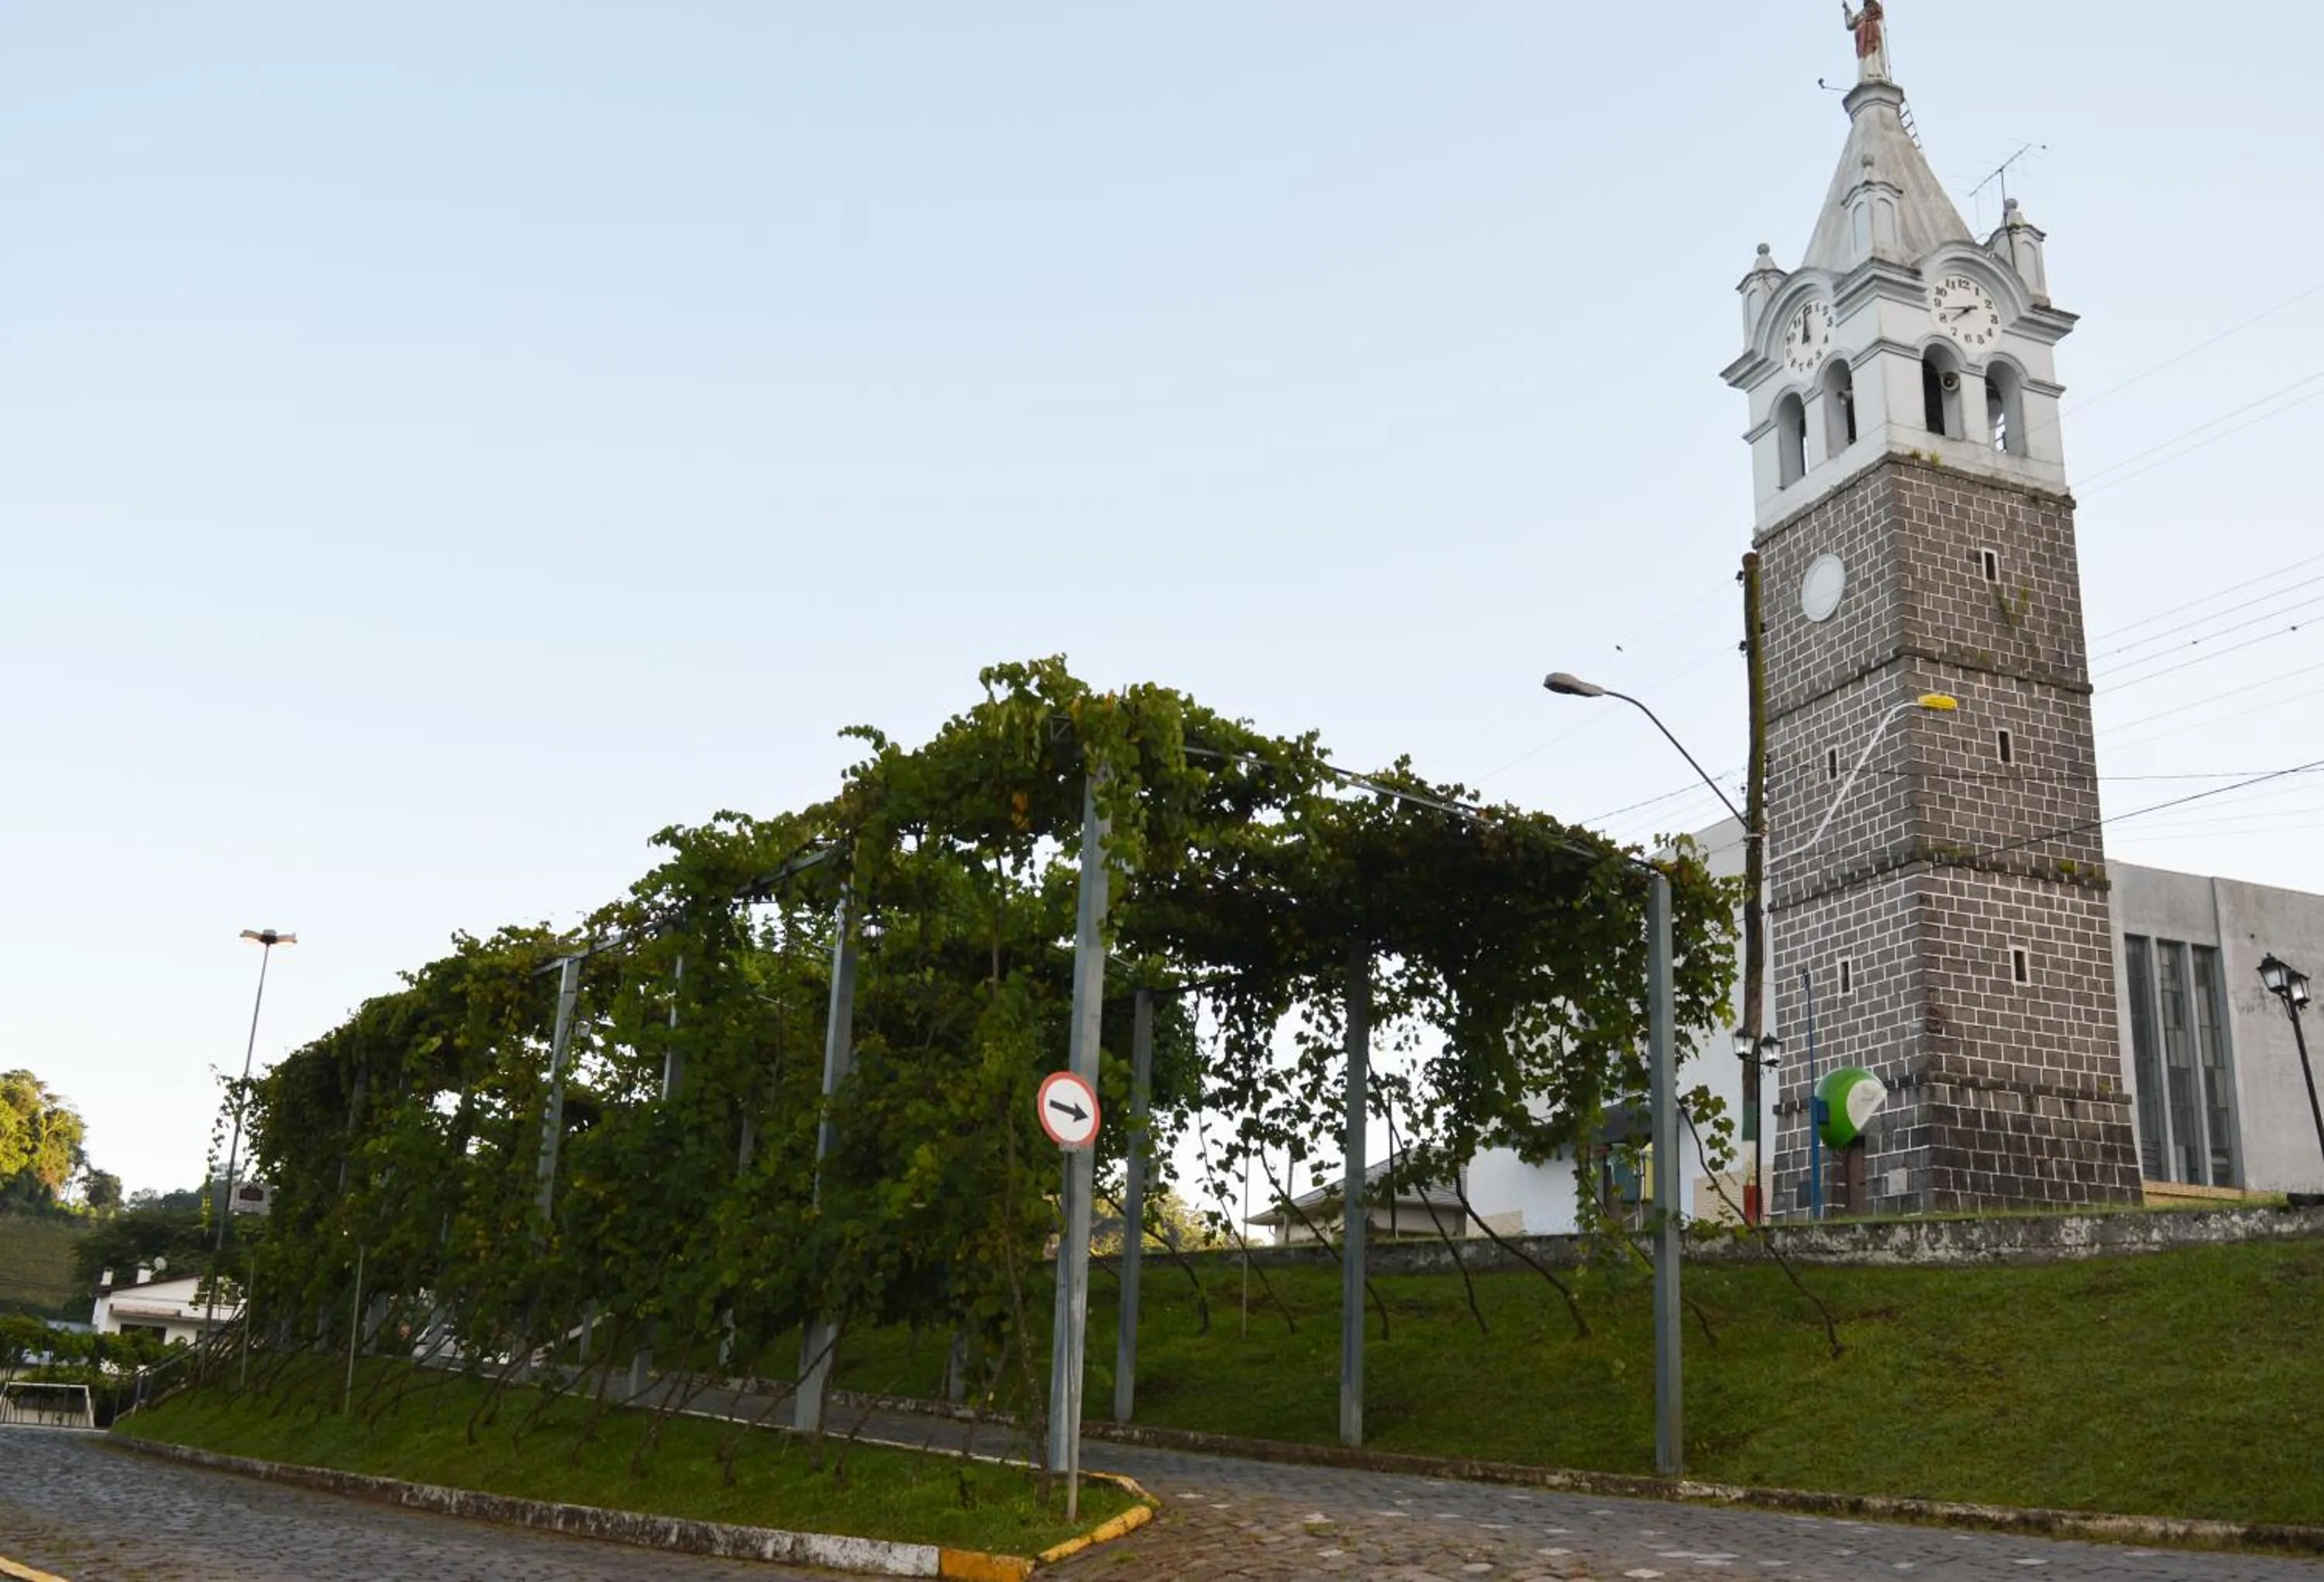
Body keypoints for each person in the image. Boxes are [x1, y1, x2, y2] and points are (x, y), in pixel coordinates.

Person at [1841, 0, 1891, 81]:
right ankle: (1867, 74)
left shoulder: (1875, 8)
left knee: (1873, 55)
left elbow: (1879, 13)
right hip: (1862, 40)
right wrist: (1847, 10)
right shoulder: (1861, 14)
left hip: (1872, 35)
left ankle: (1876, 73)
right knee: (1865, 58)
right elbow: (1850, 25)